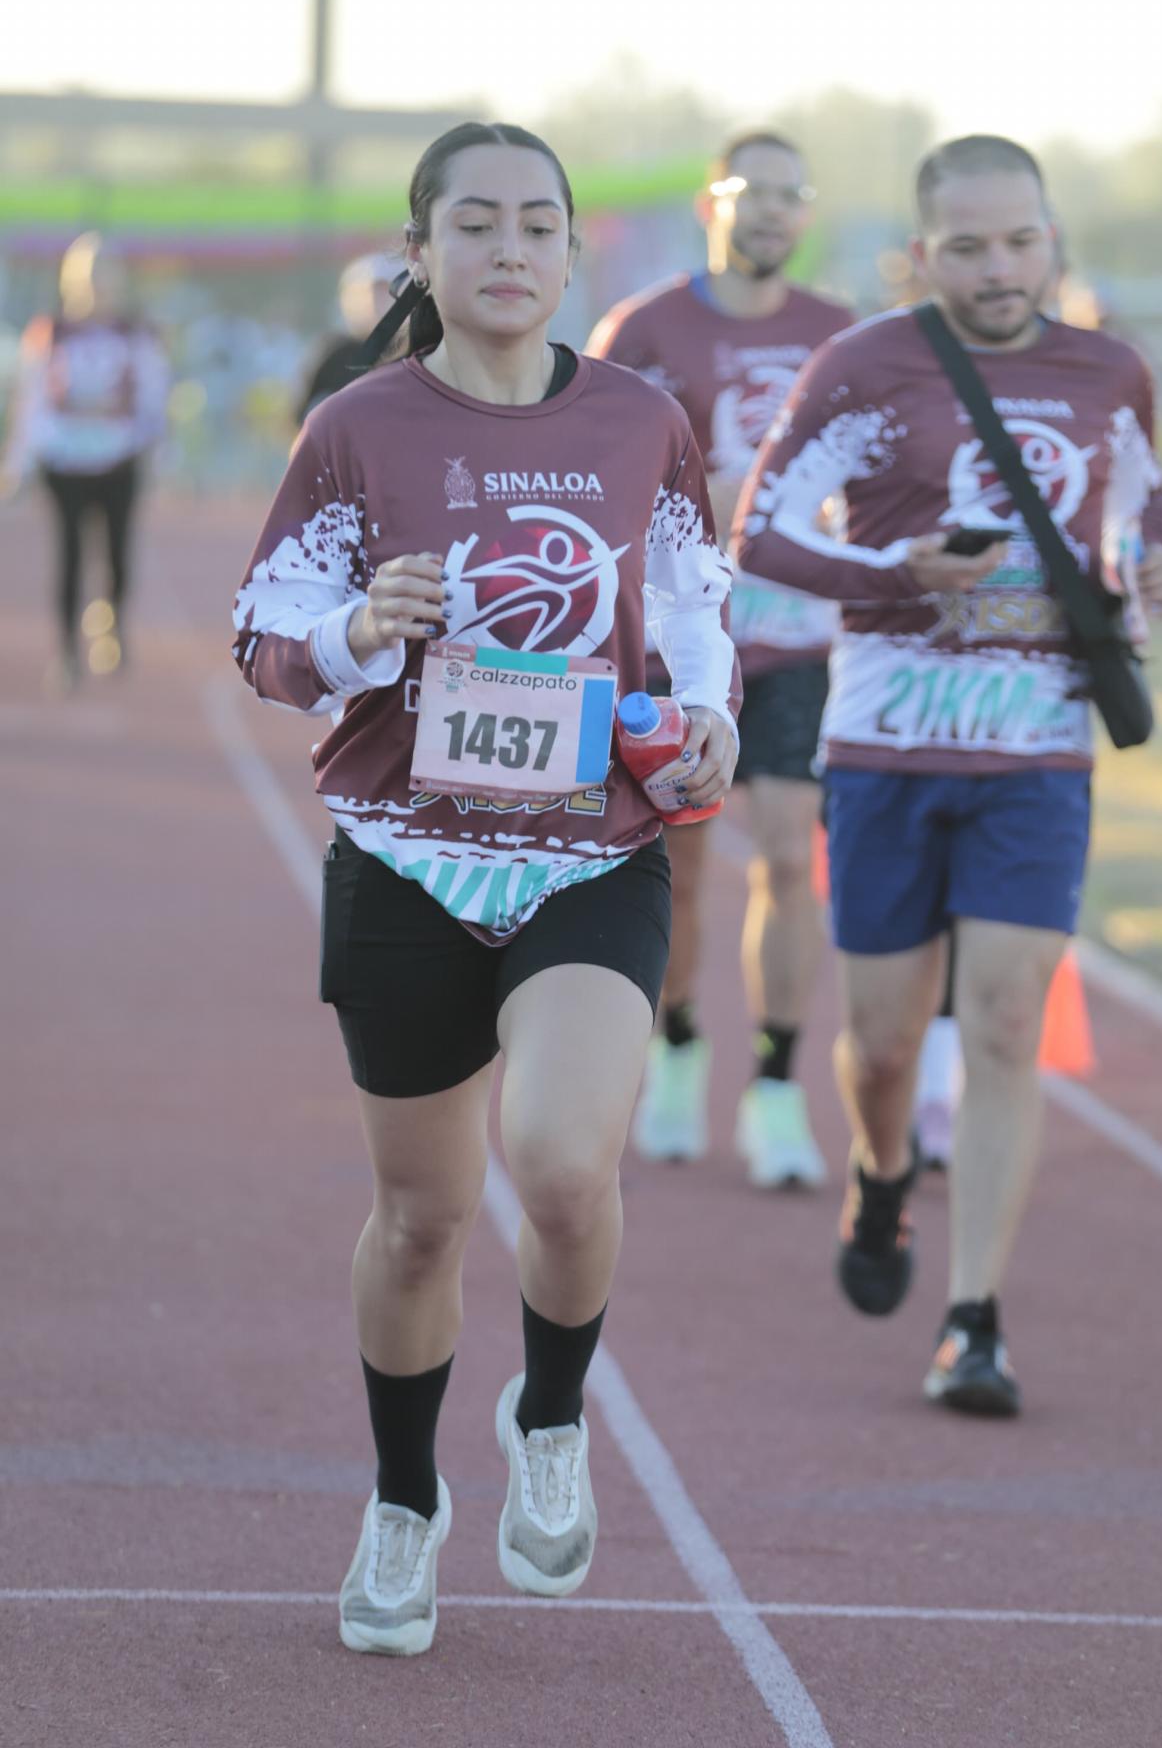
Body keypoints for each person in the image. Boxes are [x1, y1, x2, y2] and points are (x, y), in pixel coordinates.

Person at [232, 123, 739, 1654]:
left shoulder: (644, 419)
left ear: (575, 251)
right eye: (475, 224)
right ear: (422, 253)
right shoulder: (357, 427)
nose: (509, 248)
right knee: (424, 1219)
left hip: (591, 854)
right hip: (405, 859)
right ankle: (402, 1506)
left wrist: (706, 714)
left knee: (566, 1167)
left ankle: (551, 1415)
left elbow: (696, 605)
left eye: (537, 223)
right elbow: (268, 638)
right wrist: (361, 632)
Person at [732, 134, 1162, 1415]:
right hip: (882, 750)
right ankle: (879, 1180)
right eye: (969, 246)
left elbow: (1140, 521)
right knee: (876, 1044)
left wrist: (1148, 574)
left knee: (996, 1026)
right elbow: (753, 528)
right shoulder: (862, 366)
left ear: (1052, 239)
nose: (999, 267)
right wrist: (894, 573)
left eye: (1020, 240)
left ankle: (973, 1315)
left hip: (1034, 751)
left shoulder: (1109, 373)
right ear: (925, 254)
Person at [587, 133, 854, 1188]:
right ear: (713, 200)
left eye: (796, 194)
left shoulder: (841, 334)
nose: (776, 212)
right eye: (757, 192)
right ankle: (679, 1048)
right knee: (682, 867)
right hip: (678, 644)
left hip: (797, 637)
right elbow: (593, 471)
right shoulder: (644, 328)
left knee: (791, 857)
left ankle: (779, 1087)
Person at [4, 234, 169, 685]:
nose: (99, 283)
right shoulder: (50, 333)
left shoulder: (137, 334)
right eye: (90, 272)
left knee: (117, 552)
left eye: (106, 272)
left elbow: (154, 397)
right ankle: (67, 651)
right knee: (70, 554)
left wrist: (157, 454)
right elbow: (32, 402)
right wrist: (18, 463)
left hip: (120, 458)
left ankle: (111, 621)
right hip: (65, 461)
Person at [292, 252, 400, 429]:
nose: (373, 301)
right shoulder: (331, 353)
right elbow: (299, 419)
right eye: (364, 293)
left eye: (383, 292)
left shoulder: (415, 350)